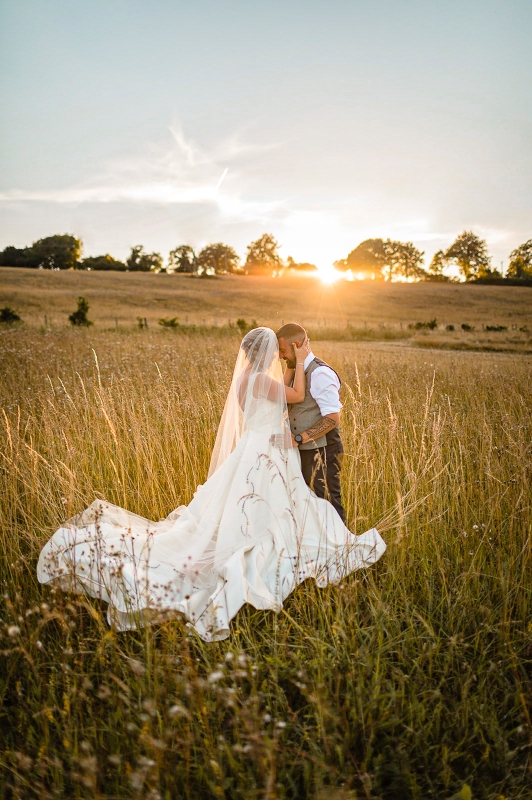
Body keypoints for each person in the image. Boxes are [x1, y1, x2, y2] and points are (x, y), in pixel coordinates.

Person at [37, 328, 385, 642]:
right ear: (263, 354)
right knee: (265, 506)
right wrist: (299, 359)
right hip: (267, 446)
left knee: (257, 504)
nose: (277, 357)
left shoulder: (245, 378)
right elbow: (294, 396)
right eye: (274, 352)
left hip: (255, 444)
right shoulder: (261, 380)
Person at [275, 323, 345, 521]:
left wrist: (298, 438)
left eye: (282, 350)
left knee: (328, 503)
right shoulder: (295, 370)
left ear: (297, 345)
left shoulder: (319, 373)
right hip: (305, 450)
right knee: (311, 506)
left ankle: (343, 549)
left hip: (323, 450)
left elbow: (332, 418)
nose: (280, 356)